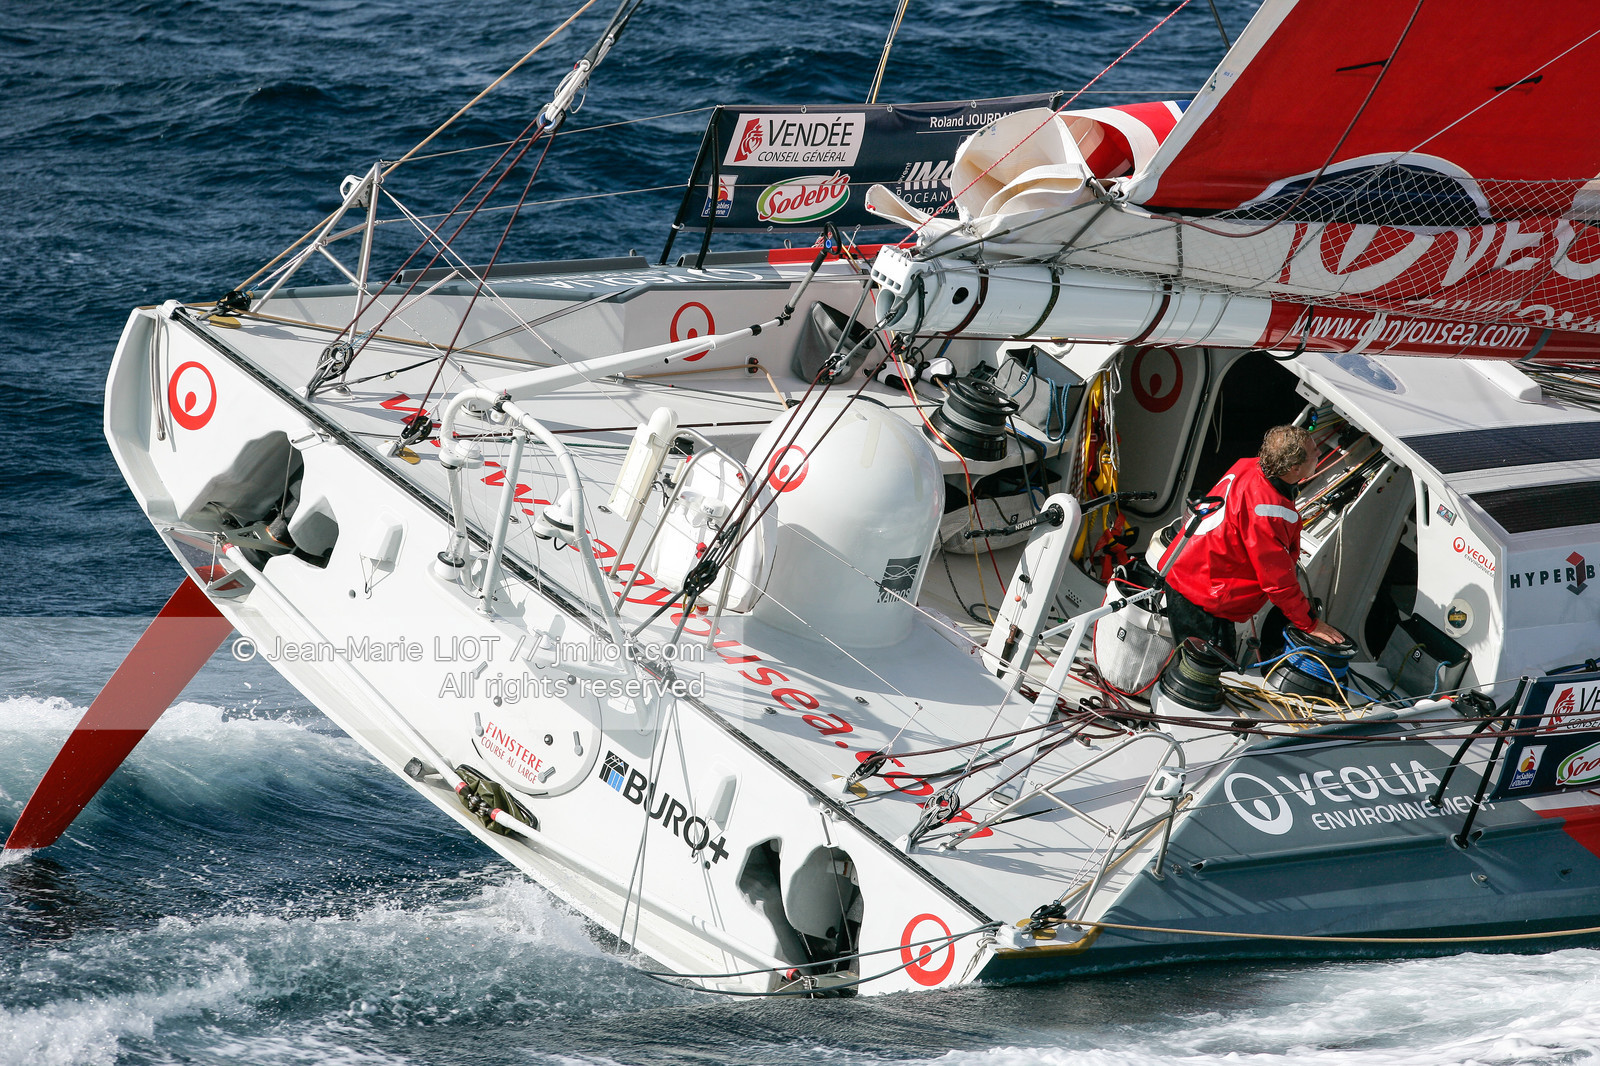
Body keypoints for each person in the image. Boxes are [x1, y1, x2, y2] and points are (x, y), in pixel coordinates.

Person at [1158, 425, 1345, 660]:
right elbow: (1278, 583)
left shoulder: (1247, 465)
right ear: (1295, 468)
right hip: (1203, 597)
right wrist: (1310, 624)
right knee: (1203, 674)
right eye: (1314, 451)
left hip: (1187, 571)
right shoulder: (1268, 514)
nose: (1319, 453)